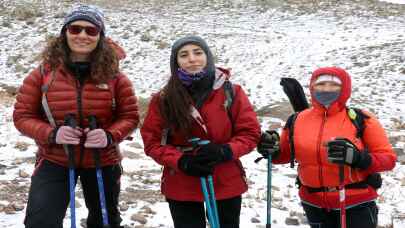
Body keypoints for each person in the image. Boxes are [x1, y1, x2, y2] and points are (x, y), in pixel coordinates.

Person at [13, 5, 139, 228]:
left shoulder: (116, 77)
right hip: (54, 158)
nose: (82, 35)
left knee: (105, 221)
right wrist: (52, 133)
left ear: (100, 36)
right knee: (40, 221)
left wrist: (109, 135)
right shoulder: (43, 73)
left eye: (91, 31)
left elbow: (130, 117)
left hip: (103, 160)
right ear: (65, 33)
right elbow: (23, 116)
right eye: (75, 28)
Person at [140, 35, 260, 228]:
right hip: (181, 179)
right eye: (184, 55)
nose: (192, 59)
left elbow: (250, 132)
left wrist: (225, 151)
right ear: (176, 61)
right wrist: (180, 161)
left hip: (224, 176)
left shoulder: (232, 91)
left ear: (208, 56)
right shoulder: (164, 99)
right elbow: (152, 142)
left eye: (198, 52)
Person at [257, 66, 397, 228]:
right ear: (312, 87)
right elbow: (284, 155)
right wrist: (271, 151)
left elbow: (389, 160)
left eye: (334, 85)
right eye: (321, 84)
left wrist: (358, 158)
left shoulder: (361, 119)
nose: (326, 89)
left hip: (355, 203)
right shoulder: (297, 120)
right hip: (313, 203)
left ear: (345, 88)